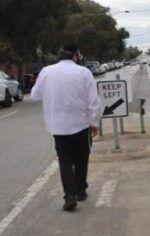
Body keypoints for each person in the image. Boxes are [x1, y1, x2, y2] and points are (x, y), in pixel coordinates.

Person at [31, 45, 101, 211]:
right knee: (81, 158)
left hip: (58, 126)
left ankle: (69, 196)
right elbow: (93, 100)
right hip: (81, 124)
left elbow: (35, 95)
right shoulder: (84, 72)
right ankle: (80, 190)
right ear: (75, 56)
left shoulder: (46, 72)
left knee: (65, 161)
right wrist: (94, 122)